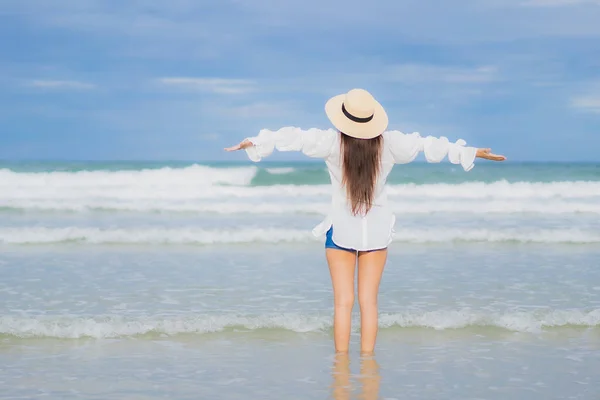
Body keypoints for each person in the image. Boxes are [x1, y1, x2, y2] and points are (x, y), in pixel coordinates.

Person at [225, 88, 506, 354]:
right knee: (369, 303)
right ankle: (368, 367)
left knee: (343, 303)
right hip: (376, 232)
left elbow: (295, 137)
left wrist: (256, 142)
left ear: (343, 117)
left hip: (340, 231)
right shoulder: (390, 143)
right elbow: (427, 145)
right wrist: (471, 152)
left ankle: (342, 366)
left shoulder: (332, 142)